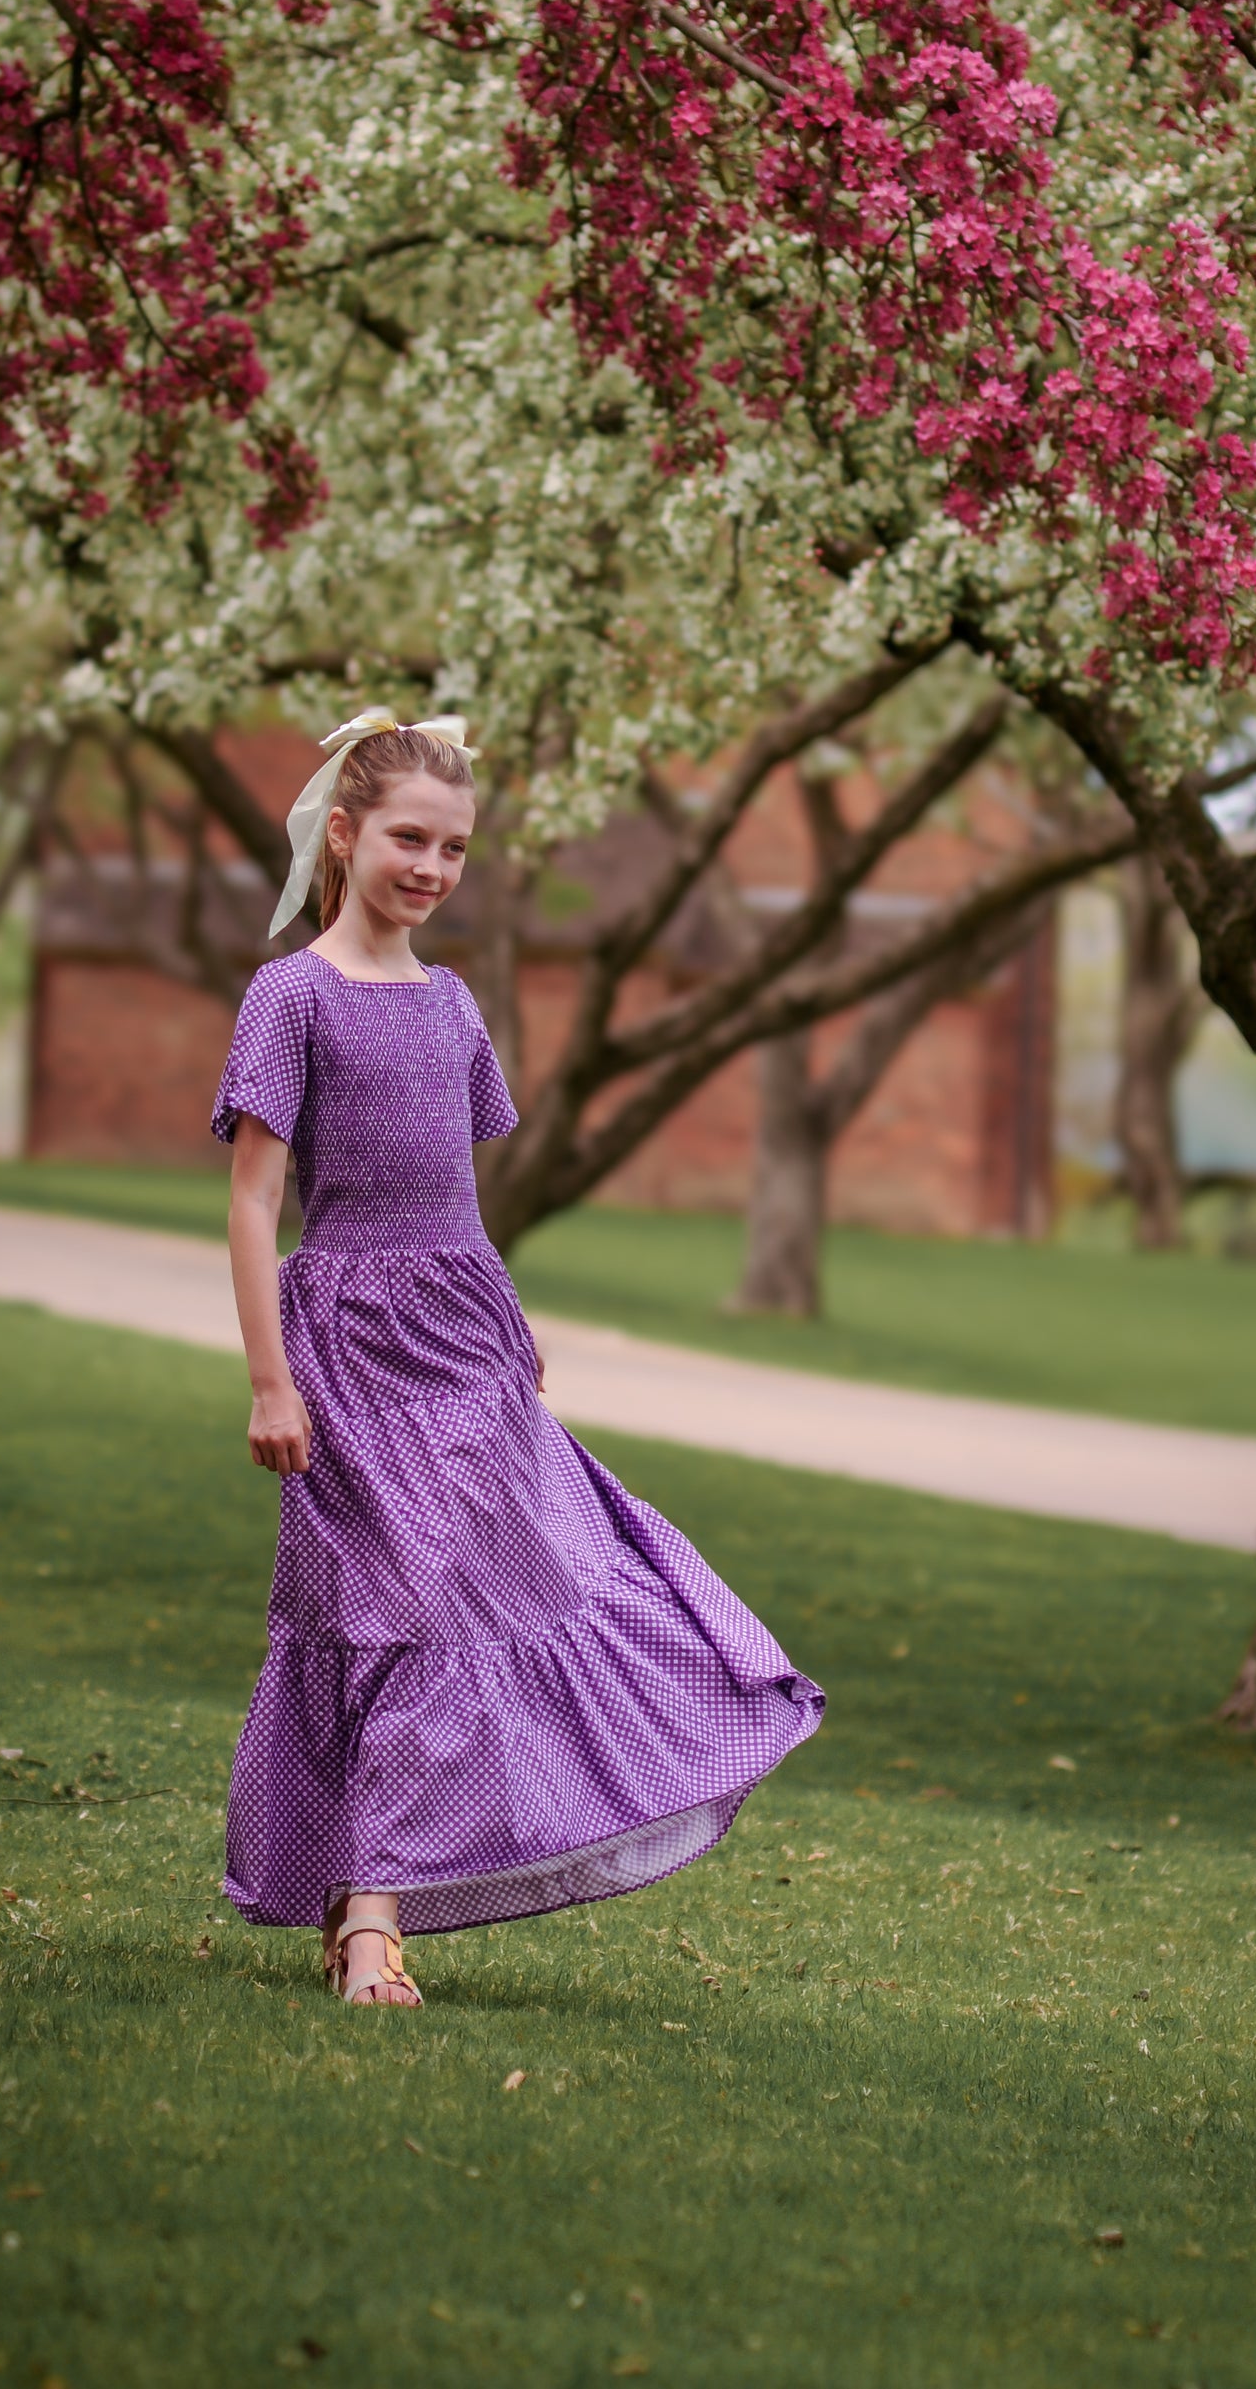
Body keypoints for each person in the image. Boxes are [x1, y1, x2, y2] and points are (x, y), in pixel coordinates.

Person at [214, 708, 822, 2005]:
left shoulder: (450, 1002)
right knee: (396, 1610)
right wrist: (270, 1376)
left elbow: (459, 1189)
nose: (431, 866)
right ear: (343, 834)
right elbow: (255, 1202)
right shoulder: (291, 995)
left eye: (452, 846)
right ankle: (372, 1917)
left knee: (530, 1579)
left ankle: (369, 1896)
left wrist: (504, 1310)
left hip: (463, 1342)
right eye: (407, 838)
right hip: (346, 1342)